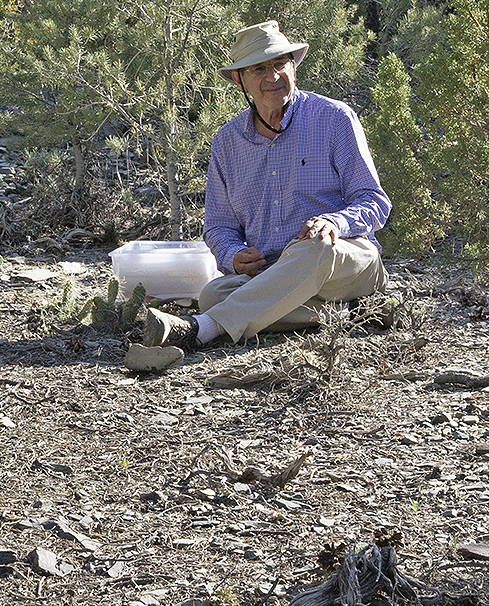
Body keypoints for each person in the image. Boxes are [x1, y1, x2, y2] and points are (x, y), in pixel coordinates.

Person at [126, 19, 391, 372]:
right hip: (271, 271)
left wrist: (334, 222)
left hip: (344, 259)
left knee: (315, 246)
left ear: (293, 65)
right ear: (240, 80)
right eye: (259, 68)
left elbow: (374, 200)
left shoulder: (334, 119)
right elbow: (218, 227)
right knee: (212, 294)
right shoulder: (227, 142)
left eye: (280, 63)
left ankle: (199, 331)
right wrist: (234, 256)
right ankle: (343, 312)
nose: (273, 76)